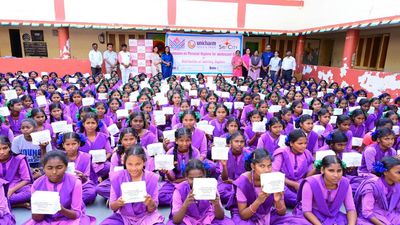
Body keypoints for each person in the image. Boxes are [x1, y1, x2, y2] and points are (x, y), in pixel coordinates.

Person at [22, 151, 96, 225]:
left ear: (66, 167)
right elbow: (36, 218)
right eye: (49, 168)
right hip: (46, 220)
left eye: (59, 167)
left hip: (69, 219)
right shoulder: (36, 185)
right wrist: (43, 208)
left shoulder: (75, 182)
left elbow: (76, 214)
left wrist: (61, 209)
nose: (54, 172)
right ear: (43, 168)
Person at [101, 145, 165, 225]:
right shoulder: (117, 177)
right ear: (125, 163)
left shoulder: (152, 178)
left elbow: (152, 209)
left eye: (138, 164)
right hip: (124, 217)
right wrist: (118, 203)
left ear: (144, 162)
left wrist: (150, 203)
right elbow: (112, 207)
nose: (134, 168)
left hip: (146, 217)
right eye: (130, 164)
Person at [169, 159, 234, 225]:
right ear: (186, 177)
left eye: (200, 177)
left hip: (208, 218)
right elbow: (176, 220)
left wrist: (216, 204)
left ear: (205, 175)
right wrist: (185, 205)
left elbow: (220, 216)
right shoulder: (179, 190)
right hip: (186, 219)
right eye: (192, 178)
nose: (196, 181)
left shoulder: (210, 187)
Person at [296, 155, 357, 225]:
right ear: (322, 170)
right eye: (331, 171)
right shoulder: (311, 183)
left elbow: (351, 209)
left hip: (332, 215)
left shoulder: (345, 183)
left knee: (358, 222)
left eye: (339, 171)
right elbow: (307, 211)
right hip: (312, 214)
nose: (336, 175)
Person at [355, 156, 400, 225]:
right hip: (372, 217)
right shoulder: (371, 186)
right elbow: (367, 212)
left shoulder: (398, 185)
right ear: (385, 172)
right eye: (398, 172)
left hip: (390, 214)